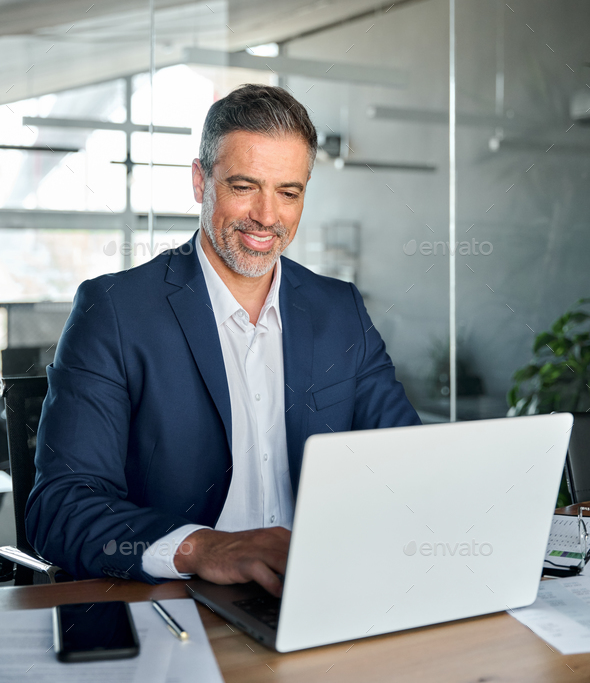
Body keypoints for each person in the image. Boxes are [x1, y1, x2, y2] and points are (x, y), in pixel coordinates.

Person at [26, 84, 420, 595]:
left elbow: (408, 463)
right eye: (243, 186)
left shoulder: (338, 310)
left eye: (288, 192)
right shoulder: (116, 312)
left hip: (326, 593)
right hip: (182, 601)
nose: (266, 216)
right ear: (199, 181)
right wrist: (207, 548)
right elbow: (61, 508)